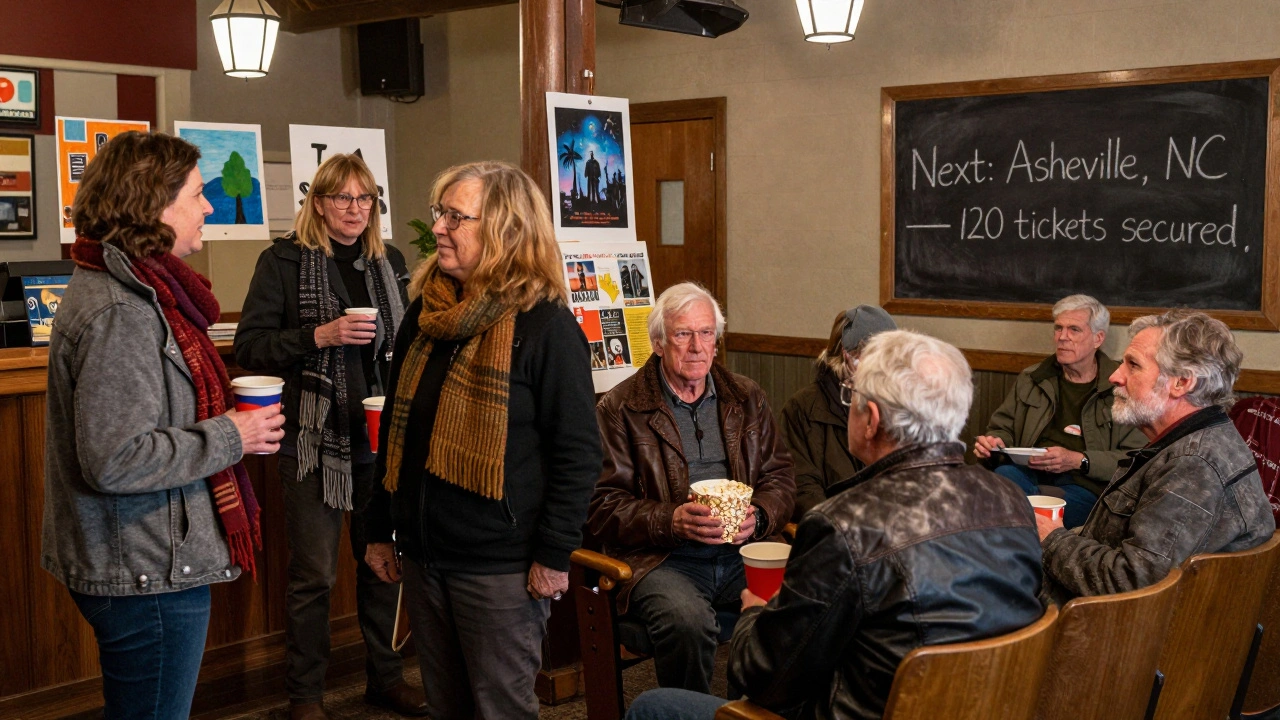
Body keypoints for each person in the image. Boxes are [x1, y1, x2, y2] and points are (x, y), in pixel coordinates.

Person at [625, 330, 1045, 720]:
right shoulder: (1011, 501)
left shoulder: (843, 525)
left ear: (872, 419)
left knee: (653, 706)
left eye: (852, 396)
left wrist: (755, 615)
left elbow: (764, 678)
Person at [43, 131, 286, 720]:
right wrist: (234, 434)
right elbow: (115, 458)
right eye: (198, 194)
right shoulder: (123, 309)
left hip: (142, 559)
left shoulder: (137, 290)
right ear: (153, 205)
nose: (208, 207)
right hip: (144, 569)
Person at [362, 161, 603, 720]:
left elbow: (579, 454)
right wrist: (379, 530)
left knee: (500, 710)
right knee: (448, 708)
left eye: (455, 217)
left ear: (506, 230)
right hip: (425, 557)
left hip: (502, 570)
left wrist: (552, 555)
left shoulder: (545, 327)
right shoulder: (425, 312)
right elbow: (398, 431)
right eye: (439, 213)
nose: (439, 228)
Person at [234, 154, 419, 720]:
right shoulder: (282, 261)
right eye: (342, 198)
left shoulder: (387, 260)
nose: (355, 210)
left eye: (366, 199)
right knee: (313, 575)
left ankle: (385, 679)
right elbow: (250, 347)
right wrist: (322, 334)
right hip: (312, 442)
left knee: (383, 562)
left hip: (378, 438)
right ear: (318, 202)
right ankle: (305, 697)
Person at [588, 282, 796, 695]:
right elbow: (600, 505)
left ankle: (749, 709)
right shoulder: (620, 408)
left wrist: (760, 518)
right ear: (660, 343)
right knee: (689, 623)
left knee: (803, 602)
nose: (697, 346)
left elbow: (780, 478)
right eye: (683, 334)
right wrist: (672, 521)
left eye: (706, 334)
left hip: (743, 551)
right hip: (663, 558)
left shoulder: (746, 397)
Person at [1039, 309, 1275, 603]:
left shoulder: (1193, 466)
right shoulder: (1194, 442)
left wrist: (1052, 538)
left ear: (1182, 382)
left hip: (1094, 633)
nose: (1115, 376)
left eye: (1133, 365)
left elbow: (1134, 580)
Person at [973, 294, 1145, 528]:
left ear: (1098, 338)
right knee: (1000, 479)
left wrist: (1080, 460)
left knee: (1015, 510)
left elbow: (1135, 458)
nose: (1062, 337)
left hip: (1083, 484)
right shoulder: (1032, 378)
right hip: (1025, 473)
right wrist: (995, 442)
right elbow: (1003, 428)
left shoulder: (1120, 386)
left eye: (1074, 329)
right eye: (1058, 328)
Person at [781, 305, 896, 521]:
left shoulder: (895, 403)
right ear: (848, 354)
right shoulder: (802, 409)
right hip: (835, 533)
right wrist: (846, 528)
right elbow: (803, 490)